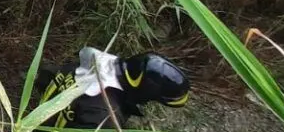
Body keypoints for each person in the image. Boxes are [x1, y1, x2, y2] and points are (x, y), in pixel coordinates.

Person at [38, 49, 191, 129]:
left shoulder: (90, 63)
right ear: (145, 94)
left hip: (38, 117)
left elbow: (44, 77)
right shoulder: (105, 117)